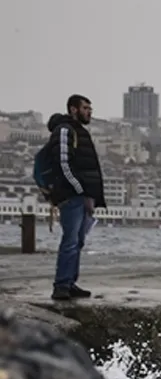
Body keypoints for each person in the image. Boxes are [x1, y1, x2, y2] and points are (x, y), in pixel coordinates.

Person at [49, 94, 104, 301]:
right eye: (85, 108)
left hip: (83, 197)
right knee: (70, 240)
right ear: (73, 109)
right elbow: (63, 164)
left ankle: (70, 282)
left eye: (90, 108)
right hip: (72, 196)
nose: (89, 112)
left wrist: (90, 195)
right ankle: (61, 284)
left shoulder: (80, 132)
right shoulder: (65, 130)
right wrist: (80, 190)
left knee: (78, 241)